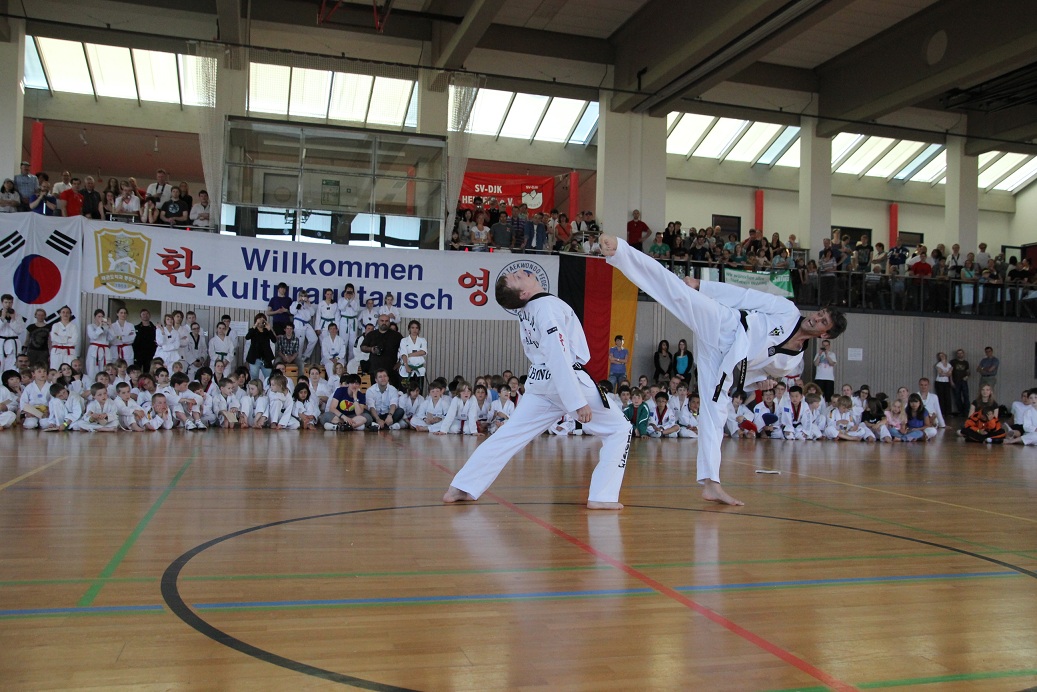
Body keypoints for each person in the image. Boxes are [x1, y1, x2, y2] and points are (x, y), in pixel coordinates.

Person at [602, 234, 845, 506]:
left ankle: (711, 484)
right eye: (820, 313)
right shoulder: (788, 311)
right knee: (679, 294)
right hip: (727, 326)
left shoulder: (792, 361)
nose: (815, 318)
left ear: (826, 334)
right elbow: (746, 296)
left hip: (723, 363)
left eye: (822, 321)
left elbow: (757, 370)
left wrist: (757, 383)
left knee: (715, 414)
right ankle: (621, 252)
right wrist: (702, 286)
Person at [443, 269, 632, 510]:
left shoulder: (527, 310)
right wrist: (576, 401)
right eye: (517, 277)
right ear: (523, 292)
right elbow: (558, 353)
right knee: (619, 429)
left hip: (540, 381)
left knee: (509, 435)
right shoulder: (546, 306)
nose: (520, 272)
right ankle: (602, 496)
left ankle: (462, 486)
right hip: (565, 378)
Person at [361, 314, 404, 385]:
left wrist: (400, 363)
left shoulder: (396, 335)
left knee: (392, 391)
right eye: (382, 321)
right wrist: (371, 349)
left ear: (389, 322)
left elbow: (405, 349)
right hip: (374, 369)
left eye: (386, 321)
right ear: (378, 322)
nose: (384, 323)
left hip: (391, 370)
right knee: (375, 390)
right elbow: (362, 347)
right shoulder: (371, 334)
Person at [397, 320, 427, 392]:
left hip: (418, 370)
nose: (414, 330)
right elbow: (403, 354)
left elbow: (423, 352)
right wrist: (406, 366)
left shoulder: (422, 340)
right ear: (409, 329)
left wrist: (409, 354)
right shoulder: (404, 340)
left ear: (419, 330)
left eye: (417, 328)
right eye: (412, 327)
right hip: (406, 370)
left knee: (418, 391)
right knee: (405, 391)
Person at [245, 313, 276, 381]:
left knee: (268, 378)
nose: (261, 322)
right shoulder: (253, 330)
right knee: (254, 377)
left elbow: (274, 340)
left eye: (263, 320)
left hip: (266, 358)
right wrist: (256, 324)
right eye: (259, 320)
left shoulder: (267, 331)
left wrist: (269, 329)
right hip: (255, 358)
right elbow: (247, 337)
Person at [950, 348, 970, 415]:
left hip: (963, 381)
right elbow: (950, 372)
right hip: (956, 381)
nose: (959, 354)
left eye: (961, 353)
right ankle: (961, 411)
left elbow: (968, 371)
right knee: (957, 397)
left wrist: (967, 376)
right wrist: (951, 381)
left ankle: (966, 411)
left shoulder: (966, 363)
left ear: (963, 354)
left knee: (966, 396)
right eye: (958, 353)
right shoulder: (953, 362)